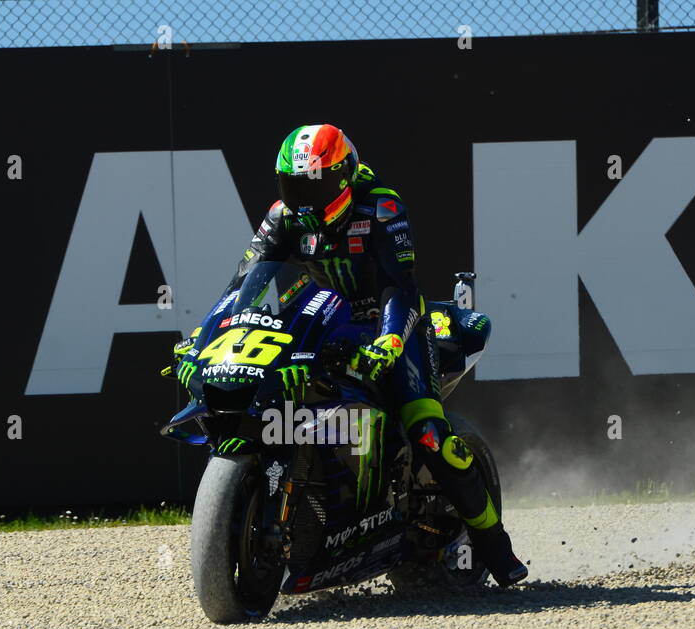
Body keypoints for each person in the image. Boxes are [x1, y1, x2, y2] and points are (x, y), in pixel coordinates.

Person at [182, 124, 527, 586]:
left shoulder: (381, 206)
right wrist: (205, 338)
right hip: (322, 319)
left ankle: (494, 546)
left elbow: (398, 286)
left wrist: (388, 341)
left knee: (428, 434)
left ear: (343, 178)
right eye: (294, 185)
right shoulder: (284, 216)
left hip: (392, 323)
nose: (304, 197)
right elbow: (245, 283)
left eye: (315, 185)